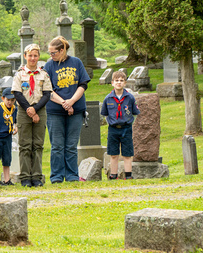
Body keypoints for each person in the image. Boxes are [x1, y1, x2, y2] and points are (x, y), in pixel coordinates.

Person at [44, 36, 91, 183]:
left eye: (54, 53)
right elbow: (47, 90)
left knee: (71, 146)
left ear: (62, 50)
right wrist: (64, 103)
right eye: (50, 53)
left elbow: (83, 85)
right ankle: (57, 177)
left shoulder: (76, 62)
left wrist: (71, 102)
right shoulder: (49, 66)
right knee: (57, 146)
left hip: (76, 109)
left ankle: (72, 176)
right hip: (55, 110)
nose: (51, 56)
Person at [12, 43, 52, 187]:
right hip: (24, 110)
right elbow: (17, 93)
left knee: (38, 144)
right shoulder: (19, 74)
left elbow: (47, 94)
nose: (32, 58)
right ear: (25, 56)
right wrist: (29, 109)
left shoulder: (43, 74)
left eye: (35, 56)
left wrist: (35, 109)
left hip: (40, 109)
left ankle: (36, 176)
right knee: (25, 144)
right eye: (30, 55)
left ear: (38, 57)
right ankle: (25, 177)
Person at [100, 71, 140, 180]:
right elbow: (105, 114)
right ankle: (113, 175)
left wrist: (129, 122)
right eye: (116, 81)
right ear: (112, 83)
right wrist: (111, 123)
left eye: (121, 81)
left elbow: (135, 113)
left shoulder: (130, 98)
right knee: (113, 154)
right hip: (113, 129)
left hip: (126, 129)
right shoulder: (108, 99)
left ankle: (128, 175)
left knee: (127, 153)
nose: (119, 83)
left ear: (125, 83)